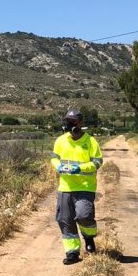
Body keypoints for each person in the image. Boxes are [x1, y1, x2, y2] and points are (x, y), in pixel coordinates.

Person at [50, 109, 103, 265]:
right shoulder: (60, 141)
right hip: (65, 187)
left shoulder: (91, 142)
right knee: (65, 220)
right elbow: (54, 159)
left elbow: (97, 162)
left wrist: (80, 168)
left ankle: (89, 237)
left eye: (73, 121)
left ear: (81, 123)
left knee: (84, 216)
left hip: (85, 187)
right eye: (67, 121)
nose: (69, 124)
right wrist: (58, 167)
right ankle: (72, 252)